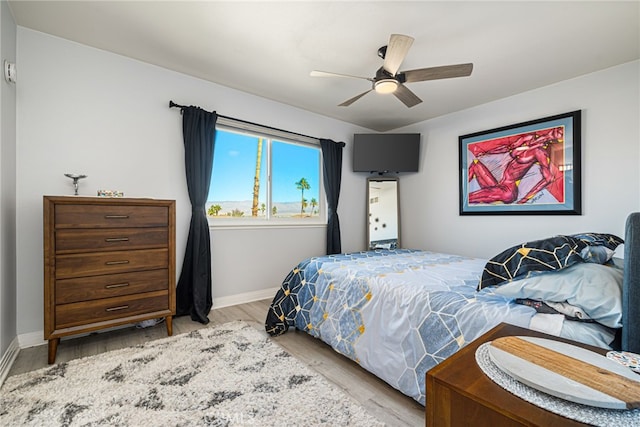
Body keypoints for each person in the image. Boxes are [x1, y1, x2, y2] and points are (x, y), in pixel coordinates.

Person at [467, 127, 564, 205]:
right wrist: (487, 153)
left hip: (508, 191)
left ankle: (458, 202)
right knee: (476, 165)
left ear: (559, 140)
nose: (560, 130)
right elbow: (507, 149)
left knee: (468, 199)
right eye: (560, 129)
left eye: (562, 133)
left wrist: (524, 200)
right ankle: (461, 191)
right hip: (498, 183)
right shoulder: (529, 138)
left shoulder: (540, 153)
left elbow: (549, 178)